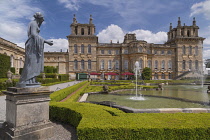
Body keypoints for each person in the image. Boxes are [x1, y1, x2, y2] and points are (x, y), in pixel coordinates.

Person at [17, 12, 53, 88]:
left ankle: (32, 80)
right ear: (39, 18)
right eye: (42, 20)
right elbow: (33, 34)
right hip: (32, 45)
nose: (42, 22)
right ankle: (27, 80)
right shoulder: (33, 23)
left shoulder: (34, 23)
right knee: (31, 62)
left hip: (34, 44)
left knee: (34, 62)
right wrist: (46, 41)